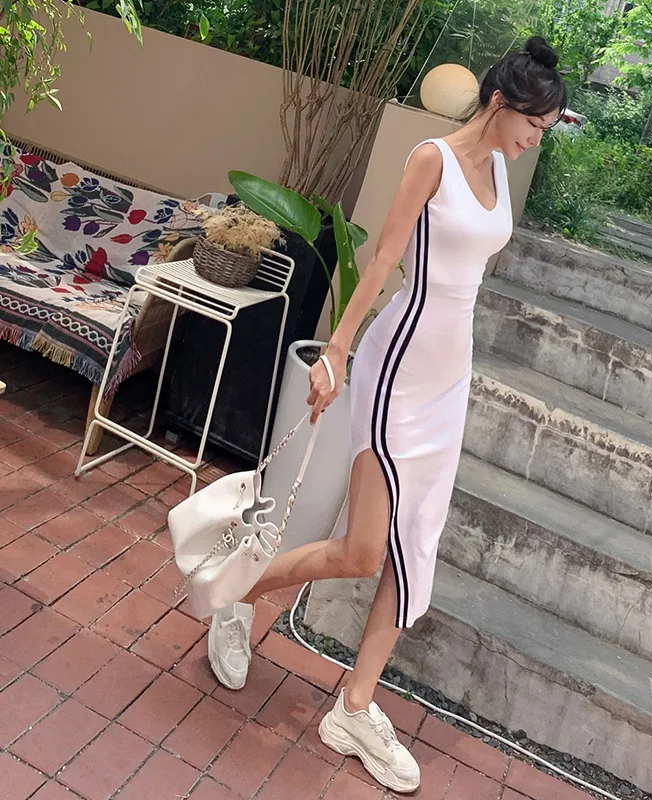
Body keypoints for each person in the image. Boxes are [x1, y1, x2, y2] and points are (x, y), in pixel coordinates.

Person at [207, 35, 567, 794]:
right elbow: (382, 262)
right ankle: (233, 598)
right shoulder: (432, 159)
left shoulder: (501, 169)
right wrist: (337, 351)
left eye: (546, 129)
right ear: (500, 103)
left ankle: (354, 709)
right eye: (535, 123)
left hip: (450, 376)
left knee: (415, 550)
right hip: (397, 369)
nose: (537, 139)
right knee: (363, 551)